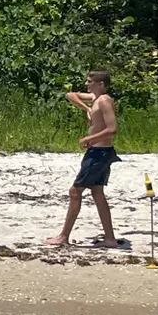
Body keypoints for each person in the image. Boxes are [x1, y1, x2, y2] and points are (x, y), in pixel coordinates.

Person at [46, 71, 122, 247]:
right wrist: (87, 108)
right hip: (97, 152)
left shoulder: (104, 100)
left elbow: (112, 129)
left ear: (100, 84)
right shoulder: (94, 98)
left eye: (90, 81)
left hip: (99, 154)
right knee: (97, 193)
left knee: (75, 192)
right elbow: (70, 95)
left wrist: (89, 138)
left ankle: (63, 236)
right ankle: (110, 239)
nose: (86, 84)